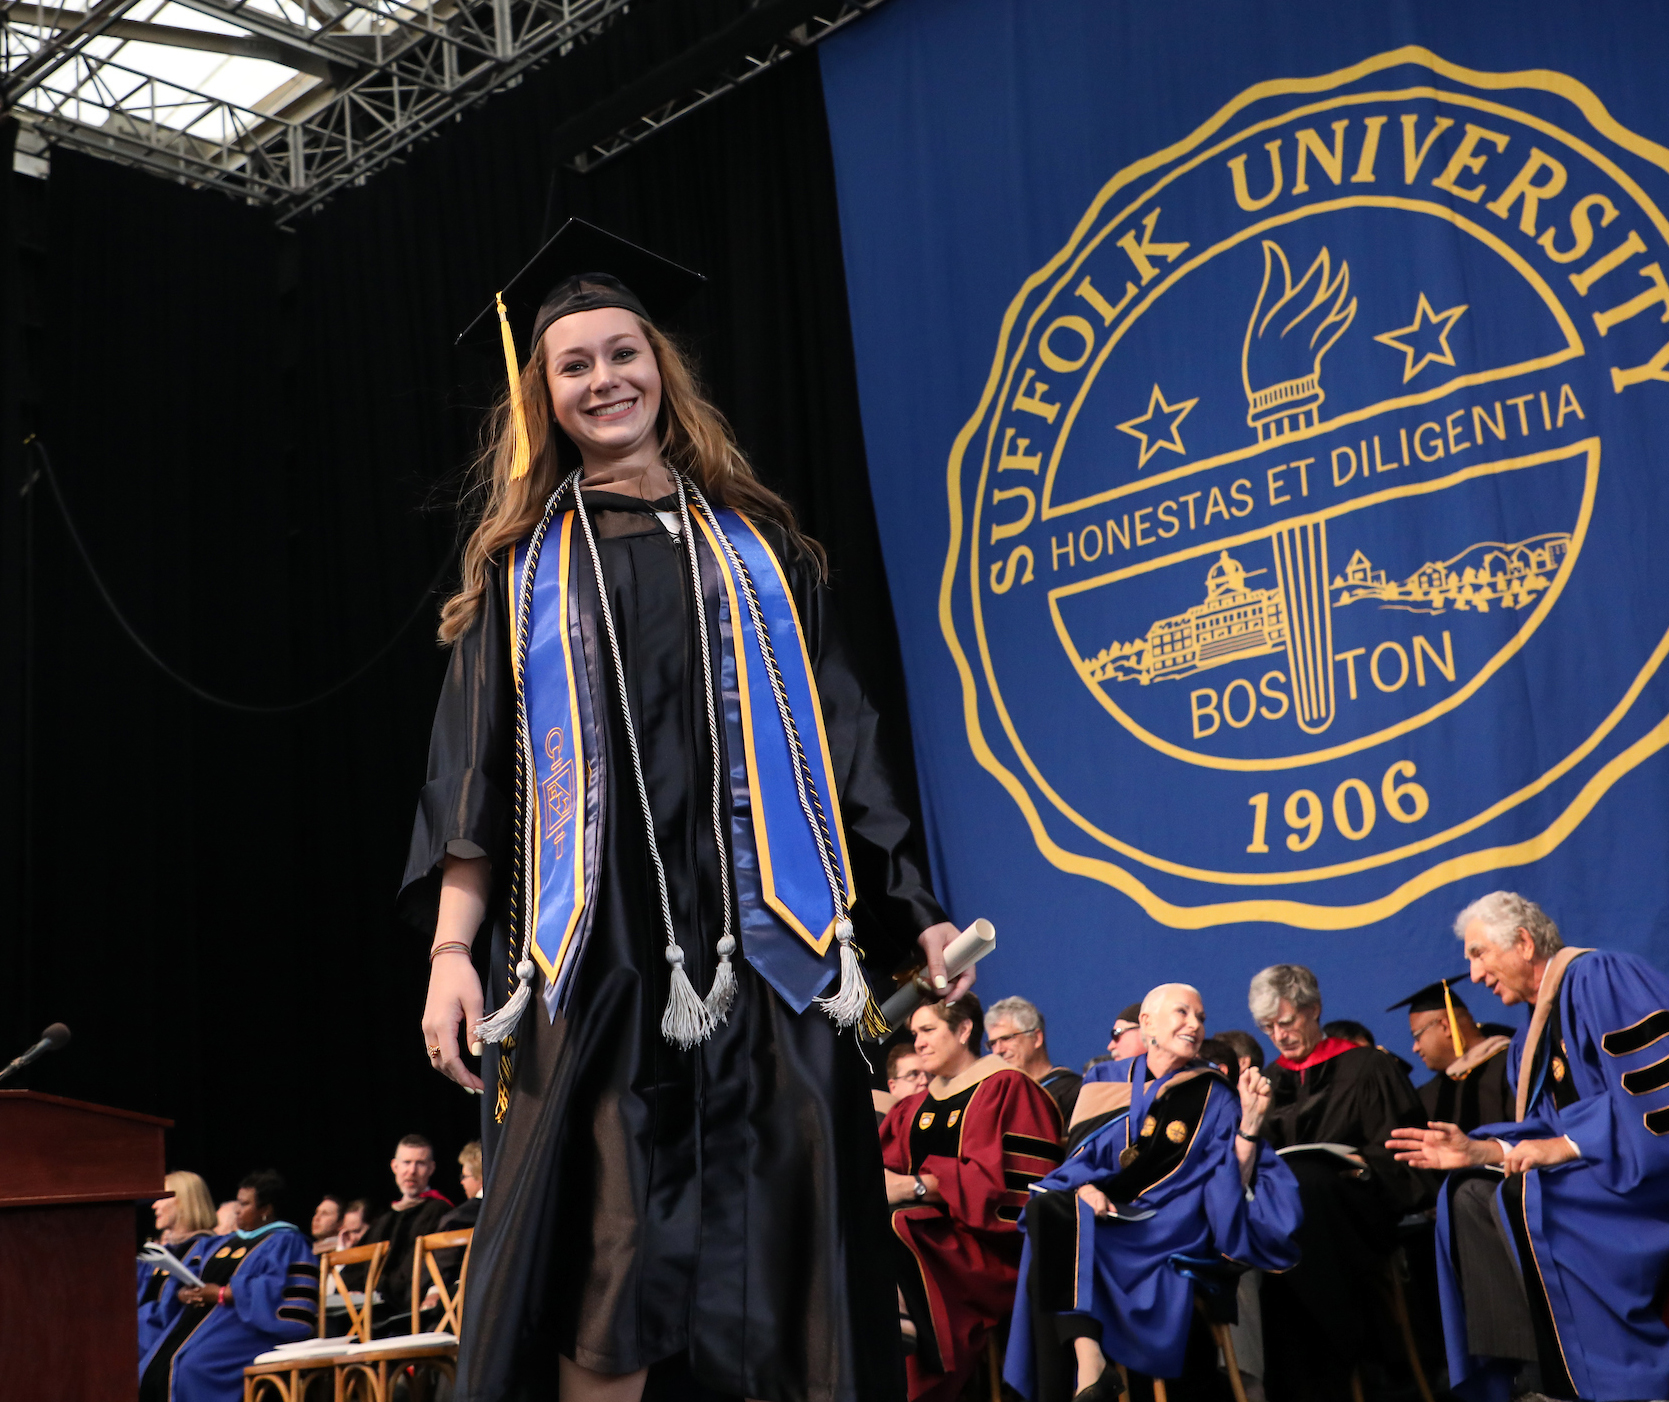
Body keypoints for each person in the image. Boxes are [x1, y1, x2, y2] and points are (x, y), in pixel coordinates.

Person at [410, 220, 968, 1402]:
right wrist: (453, 952)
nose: (605, 378)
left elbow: (850, 741)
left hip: (772, 945)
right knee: (610, 1254)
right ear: (544, 397)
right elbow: (472, 780)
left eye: (624, 352)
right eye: (575, 364)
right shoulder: (523, 571)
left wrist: (912, 904)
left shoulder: (762, 550)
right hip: (596, 955)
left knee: (793, 1243)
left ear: (662, 368)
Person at [1388, 892, 1669, 1402]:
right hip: (1594, 1175)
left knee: (1526, 1198)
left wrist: (1567, 1144)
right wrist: (1482, 1152)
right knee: (1468, 1191)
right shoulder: (1528, 1043)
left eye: (1478, 953)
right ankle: (1525, 1377)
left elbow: (1655, 1097)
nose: (1473, 975)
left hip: (1643, 1177)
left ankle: (1602, 1379)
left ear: (1522, 942)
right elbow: (1539, 1131)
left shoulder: (1602, 977)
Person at [1005, 984, 1301, 1402]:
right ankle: (1088, 1358)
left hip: (1170, 1225)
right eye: (1182, 1013)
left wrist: (1249, 1128)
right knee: (1049, 1209)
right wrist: (1085, 1187)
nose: (1194, 1025)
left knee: (1052, 1235)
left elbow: (1228, 1185)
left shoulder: (1213, 1093)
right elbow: (1077, 1165)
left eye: (1200, 1017)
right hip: (1111, 1217)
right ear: (1147, 1024)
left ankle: (1078, 1377)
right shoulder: (1102, 1080)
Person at [1249, 963, 1436, 1400]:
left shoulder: (1369, 1067)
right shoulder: (1268, 1083)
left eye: (1287, 1021)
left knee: (1309, 1181)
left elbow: (1407, 1155)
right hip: (1294, 1222)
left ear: (1313, 1009)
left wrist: (1361, 1162)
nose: (1279, 1036)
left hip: (1360, 1211)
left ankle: (1335, 1351)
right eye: (1267, 1027)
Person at [880, 996, 1063, 1402]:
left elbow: (1011, 1193)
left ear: (964, 1030)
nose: (919, 1043)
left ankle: (907, 1354)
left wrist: (917, 1186)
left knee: (896, 1225)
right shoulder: (914, 1107)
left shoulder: (1008, 1088)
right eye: (915, 1034)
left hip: (988, 1250)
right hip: (931, 1238)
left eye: (929, 1031)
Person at [138, 1171, 317, 1401]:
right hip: (208, 1324)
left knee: (191, 1368)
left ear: (266, 1210)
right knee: (151, 1367)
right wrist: (185, 1293)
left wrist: (222, 1294)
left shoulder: (287, 1242)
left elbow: (278, 1292)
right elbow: (191, 1275)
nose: (237, 1210)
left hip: (254, 1327)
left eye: (244, 1204)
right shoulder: (220, 1243)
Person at [1387, 975, 1513, 1132]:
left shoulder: (1513, 1065)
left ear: (1445, 1027)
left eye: (1417, 1036)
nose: (1415, 1048)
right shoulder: (1429, 1095)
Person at [363, 1135, 452, 1335]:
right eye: (406, 1163)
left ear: (431, 1169)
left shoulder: (440, 1211)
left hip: (414, 1311)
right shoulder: (384, 1219)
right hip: (374, 1311)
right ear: (394, 1166)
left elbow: (445, 1261)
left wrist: (434, 1291)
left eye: (420, 1164)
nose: (411, 1171)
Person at [139, 1172, 219, 1356]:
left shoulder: (209, 1249)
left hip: (177, 1346)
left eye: (161, 1197)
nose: (154, 1205)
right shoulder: (160, 1253)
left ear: (184, 1201)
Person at [986, 995, 1083, 1123]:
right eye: (992, 1043)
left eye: (1007, 1038)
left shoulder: (1074, 1092)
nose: (998, 1050)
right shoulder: (998, 1102)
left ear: (1036, 1038)